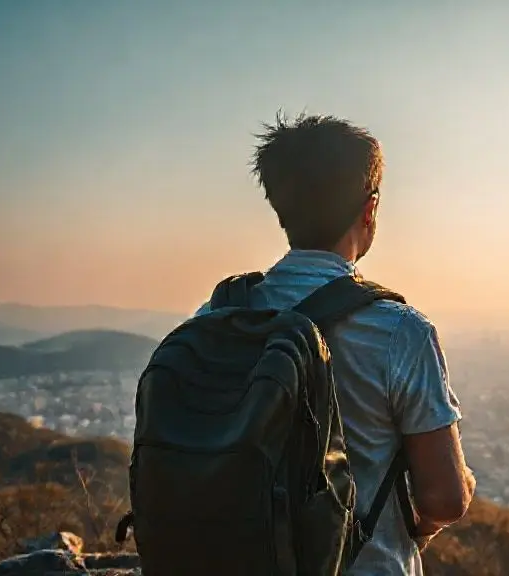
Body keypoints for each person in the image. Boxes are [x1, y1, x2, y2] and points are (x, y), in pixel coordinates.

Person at [191, 113, 475, 575]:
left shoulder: (218, 316)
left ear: (281, 209)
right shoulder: (399, 331)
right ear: (370, 209)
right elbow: (444, 499)